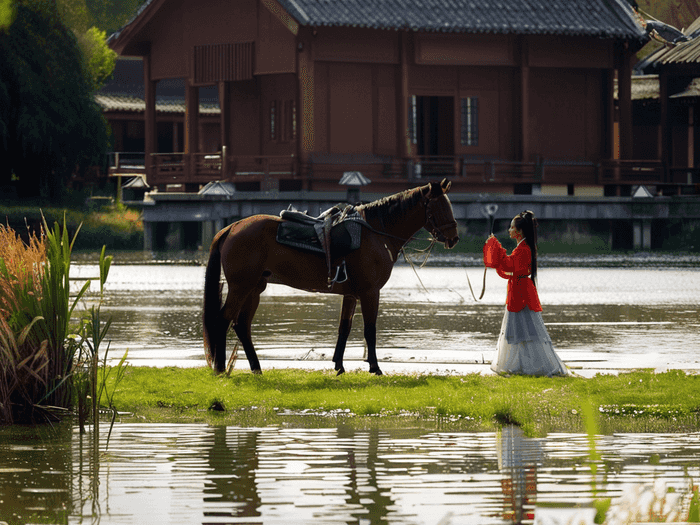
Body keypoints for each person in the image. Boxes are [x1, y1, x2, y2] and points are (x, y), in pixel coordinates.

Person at [483, 210, 569, 377]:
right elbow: (509, 268)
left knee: (524, 331)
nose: (509, 230)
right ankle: (523, 366)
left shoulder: (523, 249)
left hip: (521, 293)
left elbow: (509, 265)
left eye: (511, 227)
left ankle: (526, 366)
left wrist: (496, 246)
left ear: (519, 231)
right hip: (519, 290)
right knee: (523, 331)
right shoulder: (523, 247)